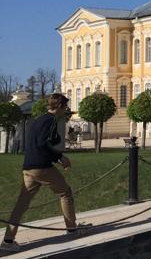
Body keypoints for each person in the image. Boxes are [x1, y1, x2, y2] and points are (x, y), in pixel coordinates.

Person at [2, 93, 87, 250]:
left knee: (21, 204)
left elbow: (39, 142)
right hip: (41, 167)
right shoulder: (51, 121)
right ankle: (72, 229)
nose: (66, 110)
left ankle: (7, 241)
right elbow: (43, 144)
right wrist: (60, 157)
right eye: (65, 107)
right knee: (65, 193)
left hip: (28, 167)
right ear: (60, 106)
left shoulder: (38, 120)